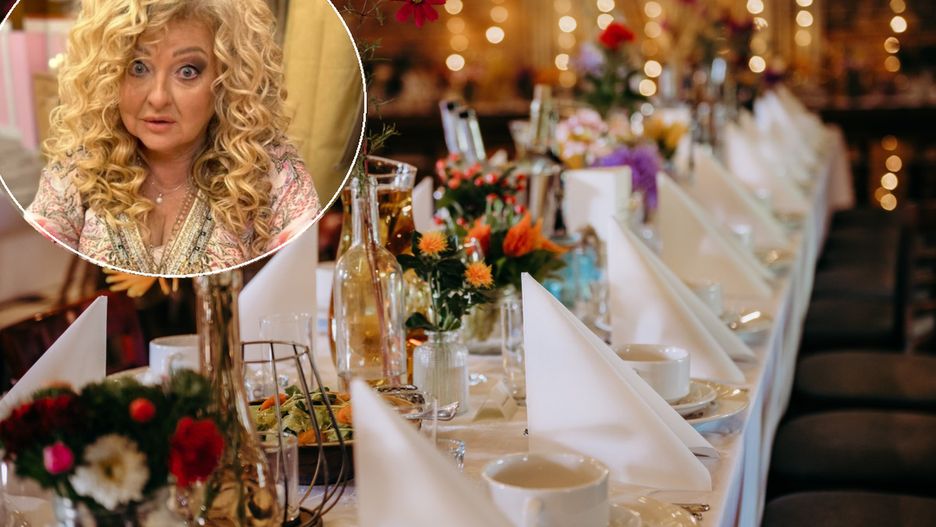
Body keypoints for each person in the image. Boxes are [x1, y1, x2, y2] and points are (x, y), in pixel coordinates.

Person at [26, 0, 319, 275]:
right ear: (111, 74)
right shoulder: (79, 167)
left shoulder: (271, 170)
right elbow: (34, 277)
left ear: (227, 80)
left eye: (187, 71)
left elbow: (301, 284)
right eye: (138, 67)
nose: (158, 97)